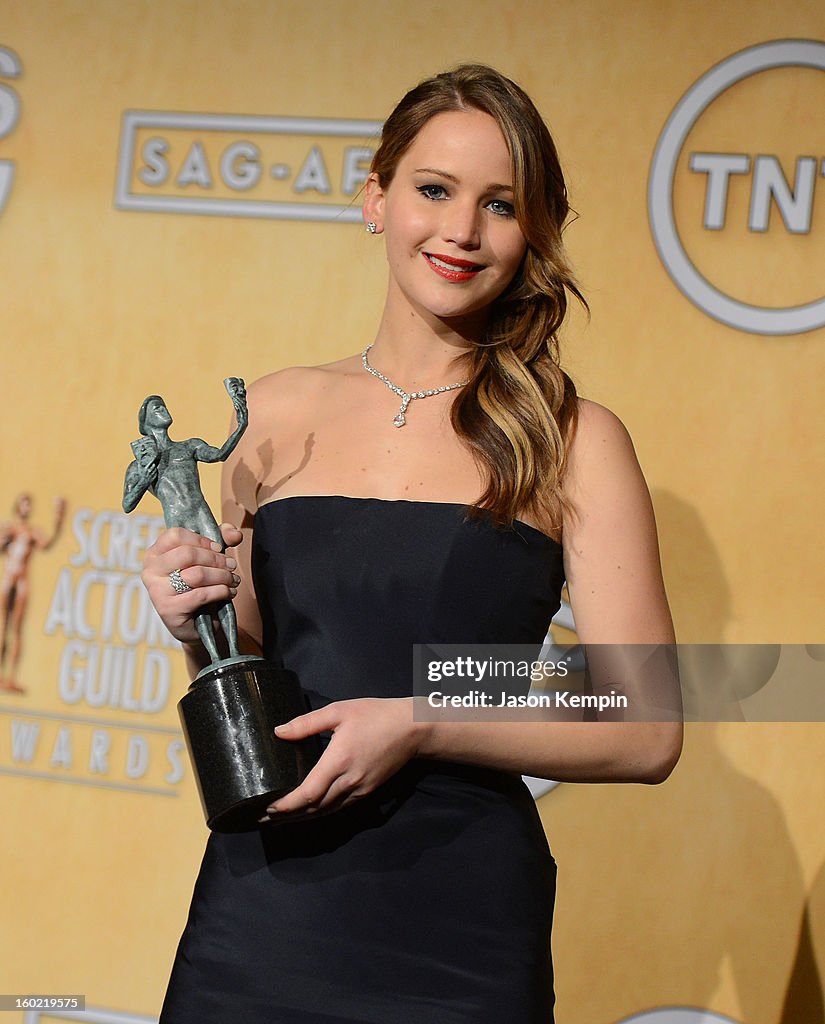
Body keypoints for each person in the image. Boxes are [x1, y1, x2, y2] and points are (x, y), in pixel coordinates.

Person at [142, 64, 682, 1024]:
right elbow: (253, 663)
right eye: (434, 190)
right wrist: (193, 619)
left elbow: (643, 722)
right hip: (259, 917)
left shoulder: (570, 436)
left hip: (457, 932)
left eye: (500, 204)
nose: (462, 232)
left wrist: (422, 719)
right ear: (375, 199)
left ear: (533, 233)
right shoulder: (269, 413)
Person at [122, 381, 248, 664]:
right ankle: (215, 658)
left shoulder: (188, 447)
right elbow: (128, 503)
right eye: (155, 407)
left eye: (163, 404)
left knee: (221, 590)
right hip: (179, 525)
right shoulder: (141, 463)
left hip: (201, 515)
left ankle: (235, 653)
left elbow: (220, 454)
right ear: (144, 423)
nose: (162, 409)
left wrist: (242, 421)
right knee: (199, 597)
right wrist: (145, 476)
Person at [0, 493, 66, 692]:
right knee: (3, 627)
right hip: (8, 579)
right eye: (24, 504)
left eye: (29, 505)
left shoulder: (31, 533)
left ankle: (10, 677)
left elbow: (46, 544)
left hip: (21, 581)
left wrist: (58, 518)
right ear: (18, 507)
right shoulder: (9, 529)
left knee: (17, 629)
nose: (27, 508)